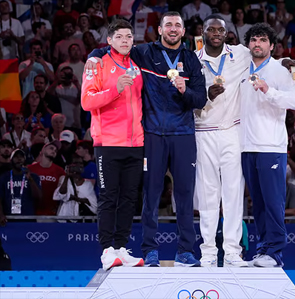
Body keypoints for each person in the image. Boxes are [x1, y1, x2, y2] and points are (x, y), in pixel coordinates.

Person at [86, 11, 207, 267]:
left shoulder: (191, 60)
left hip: (184, 134)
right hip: (152, 135)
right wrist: (93, 56)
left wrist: (186, 92)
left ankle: (186, 250)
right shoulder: (144, 53)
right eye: (168, 25)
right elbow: (115, 47)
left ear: (184, 31)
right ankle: (149, 249)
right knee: (150, 193)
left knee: (185, 194)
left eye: (177, 25)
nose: (173, 29)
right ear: (159, 30)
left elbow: (200, 99)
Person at [81, 19, 145, 270]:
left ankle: (120, 248)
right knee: (109, 197)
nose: (125, 40)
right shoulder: (96, 64)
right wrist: (115, 89)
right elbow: (87, 101)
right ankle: (107, 250)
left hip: (135, 142)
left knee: (129, 198)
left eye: (129, 36)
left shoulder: (137, 63)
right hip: (107, 142)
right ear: (109, 40)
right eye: (119, 37)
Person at [240, 23, 295, 267]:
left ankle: (276, 252)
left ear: (272, 45)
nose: (258, 43)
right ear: (249, 45)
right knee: (258, 202)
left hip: (271, 147)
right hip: (247, 146)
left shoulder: (281, 69)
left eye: (263, 40)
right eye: (254, 39)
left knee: (273, 201)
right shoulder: (241, 68)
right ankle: (264, 248)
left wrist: (269, 91)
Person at [193, 14, 251, 267]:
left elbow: (264, 59)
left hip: (232, 131)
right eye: (211, 29)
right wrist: (205, 97)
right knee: (207, 195)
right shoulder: (192, 60)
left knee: (233, 193)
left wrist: (286, 63)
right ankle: (207, 252)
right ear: (203, 32)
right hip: (203, 131)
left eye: (220, 30)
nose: (216, 33)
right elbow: (184, 98)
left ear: (227, 33)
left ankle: (232, 251)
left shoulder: (241, 53)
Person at [0, 149, 42, 222]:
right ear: (11, 160)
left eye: (21, 157)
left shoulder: (34, 177)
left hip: (28, 219)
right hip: (9, 219)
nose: (19, 159)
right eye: (16, 157)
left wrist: (30, 179)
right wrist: (1, 215)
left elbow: (38, 197)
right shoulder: (4, 177)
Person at [28, 140, 65, 216]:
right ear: (43, 150)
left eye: (55, 150)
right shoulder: (30, 169)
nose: (54, 151)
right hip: (33, 212)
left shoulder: (60, 171)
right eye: (51, 148)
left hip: (52, 213)